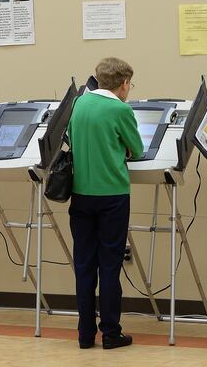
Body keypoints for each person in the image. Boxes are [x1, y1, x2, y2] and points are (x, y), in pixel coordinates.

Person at [68, 57, 143, 350]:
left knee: (84, 265)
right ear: (123, 84)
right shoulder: (120, 109)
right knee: (110, 266)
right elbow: (136, 149)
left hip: (81, 195)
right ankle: (111, 333)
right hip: (112, 196)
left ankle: (85, 335)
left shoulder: (79, 104)